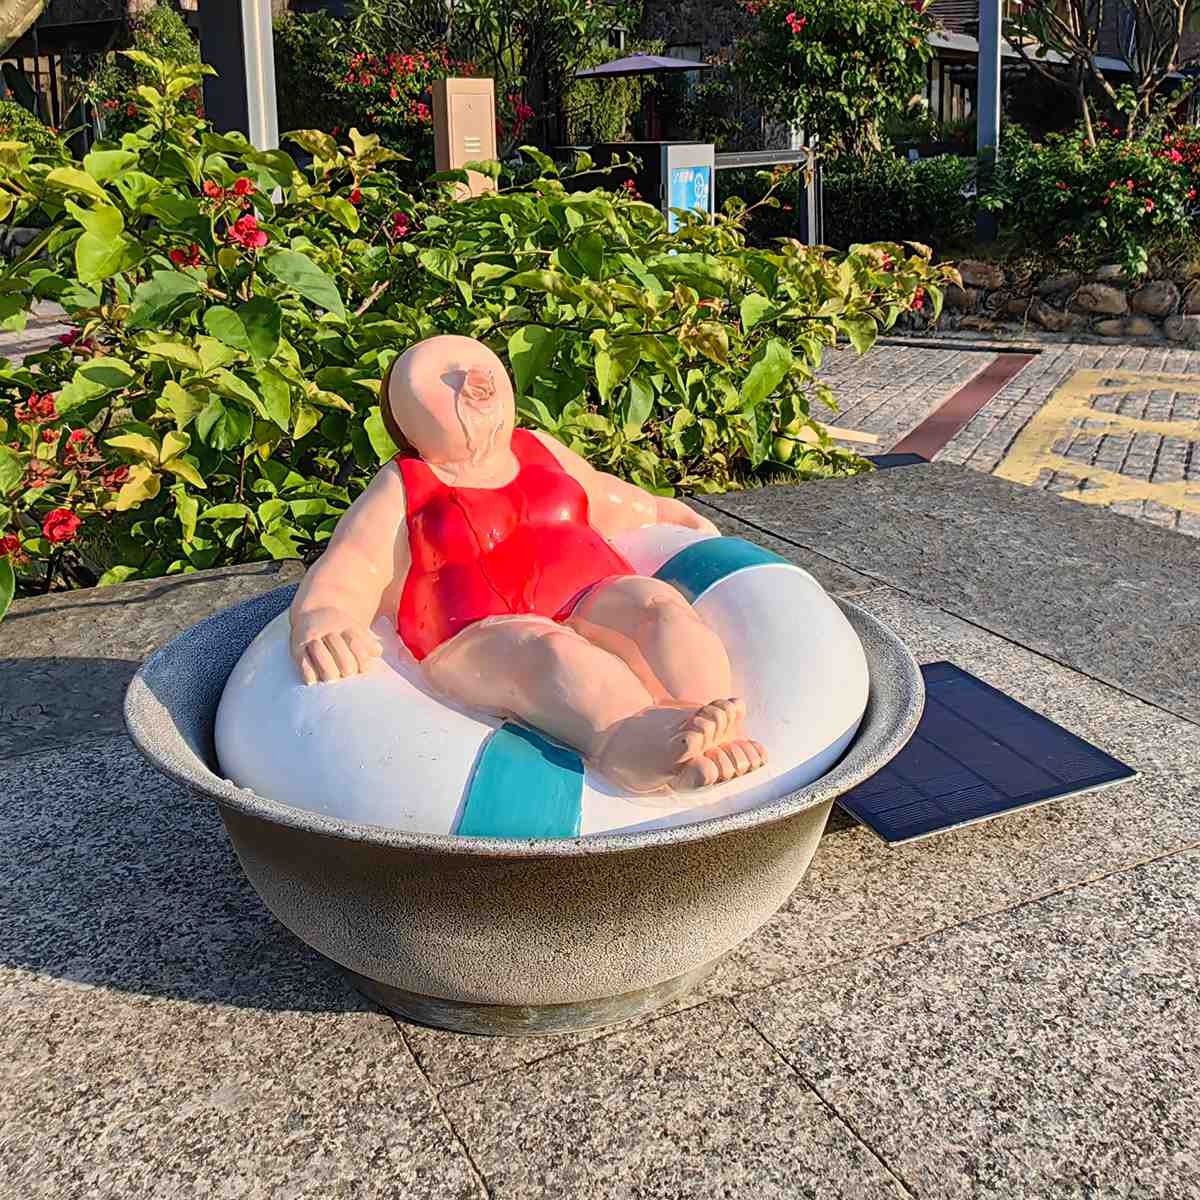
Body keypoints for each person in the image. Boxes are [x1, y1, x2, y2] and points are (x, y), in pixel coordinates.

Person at [289, 334, 767, 794]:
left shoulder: (538, 448)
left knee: (656, 604)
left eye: (475, 364)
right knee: (548, 650)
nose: (470, 379)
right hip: (475, 633)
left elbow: (604, 496)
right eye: (442, 376)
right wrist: (324, 617)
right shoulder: (406, 484)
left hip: (588, 593)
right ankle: (631, 743)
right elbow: (356, 564)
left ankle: (712, 717)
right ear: (406, 415)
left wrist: (664, 511)